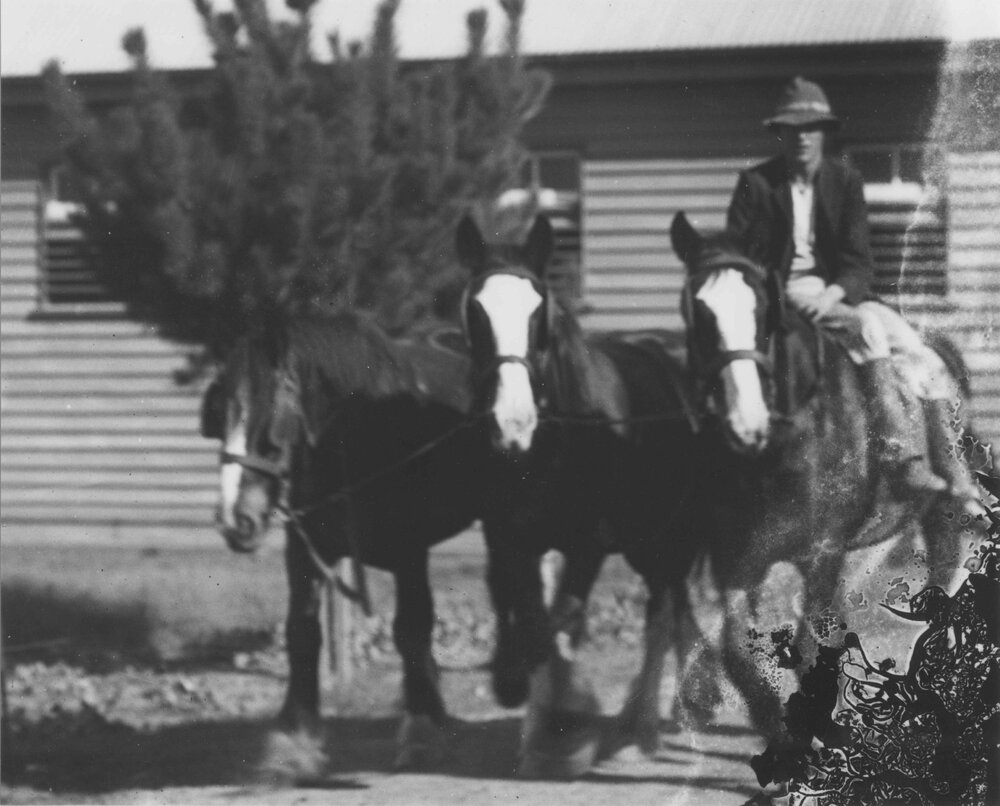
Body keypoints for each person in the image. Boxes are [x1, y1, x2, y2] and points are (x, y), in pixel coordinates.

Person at [726, 76, 980, 510]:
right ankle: (902, 456)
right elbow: (740, 257)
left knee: (920, 353)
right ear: (781, 134)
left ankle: (955, 472)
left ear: (824, 133)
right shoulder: (756, 183)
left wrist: (834, 294)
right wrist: (781, 294)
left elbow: (859, 259)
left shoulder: (843, 181)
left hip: (839, 293)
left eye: (811, 128)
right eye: (792, 129)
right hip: (776, 295)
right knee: (866, 329)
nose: (802, 138)